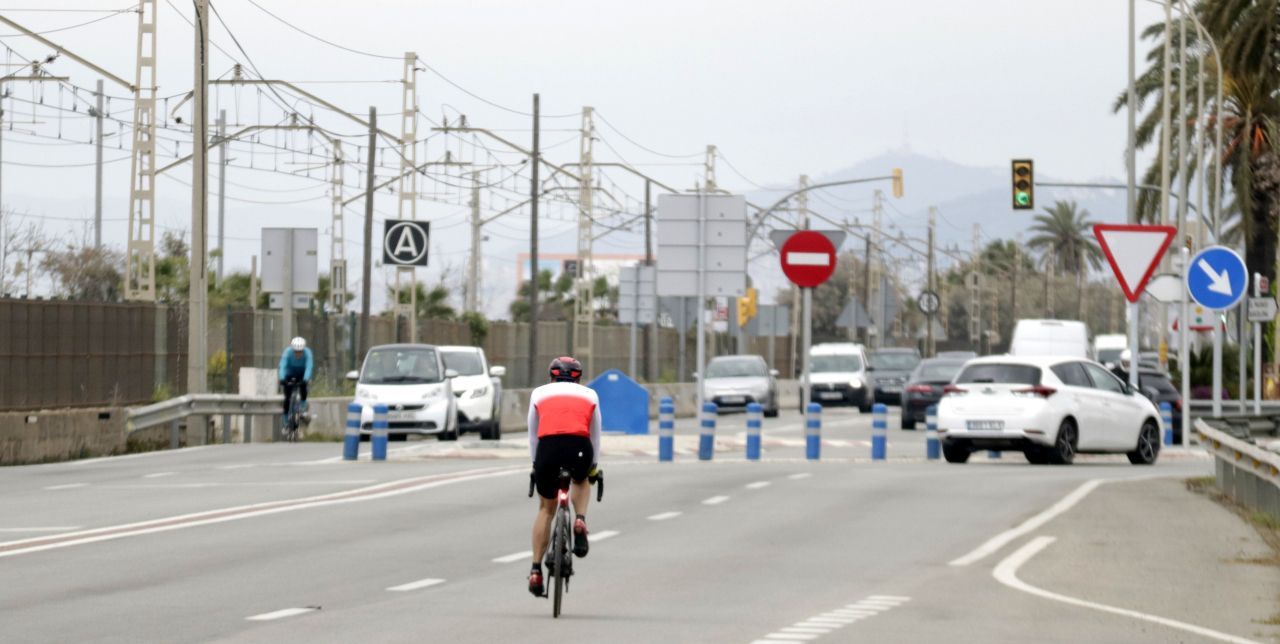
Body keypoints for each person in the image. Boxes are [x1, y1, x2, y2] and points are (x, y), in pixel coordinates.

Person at [526, 356, 601, 597]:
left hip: (548, 450)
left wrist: (536, 464)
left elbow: (533, 434)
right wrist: (593, 467)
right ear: (579, 377)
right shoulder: (590, 395)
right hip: (579, 448)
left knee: (546, 509)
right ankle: (579, 519)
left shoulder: (538, 393)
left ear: (551, 376)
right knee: (582, 479)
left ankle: (536, 569)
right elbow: (595, 435)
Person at [278, 337, 314, 429]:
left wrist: (305, 379)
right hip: (289, 373)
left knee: (303, 387)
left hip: (302, 373)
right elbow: (282, 366)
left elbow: (309, 367)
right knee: (287, 397)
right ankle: (286, 418)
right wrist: (282, 378)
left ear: (303, 350)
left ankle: (302, 404)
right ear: (292, 350)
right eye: (296, 352)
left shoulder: (308, 353)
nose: (298, 354)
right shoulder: (287, 352)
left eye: (300, 351)